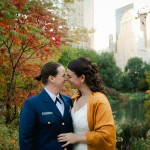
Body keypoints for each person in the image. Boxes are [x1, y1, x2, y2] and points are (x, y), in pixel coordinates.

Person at [57, 57, 116, 150]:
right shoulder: (74, 99)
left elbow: (106, 136)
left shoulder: (99, 100)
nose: (66, 79)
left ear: (82, 78)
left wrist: (76, 138)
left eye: (70, 76)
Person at [19, 62, 73, 150]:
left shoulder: (68, 101)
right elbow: (25, 140)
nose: (66, 79)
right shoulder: (32, 104)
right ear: (51, 78)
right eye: (63, 76)